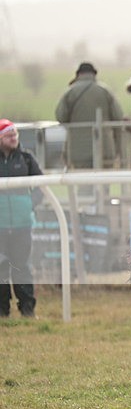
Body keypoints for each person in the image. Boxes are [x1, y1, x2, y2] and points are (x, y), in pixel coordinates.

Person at [0, 119, 43, 318]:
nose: (14, 138)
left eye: (15, 135)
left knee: (21, 266)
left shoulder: (26, 159)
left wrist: (29, 205)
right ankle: (2, 310)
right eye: (9, 135)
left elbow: (41, 187)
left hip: (22, 225)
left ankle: (27, 309)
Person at [55, 62, 125, 169]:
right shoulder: (105, 91)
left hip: (78, 150)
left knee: (84, 182)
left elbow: (60, 116)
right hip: (104, 148)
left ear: (78, 74)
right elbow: (118, 116)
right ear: (94, 74)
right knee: (103, 182)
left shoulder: (70, 92)